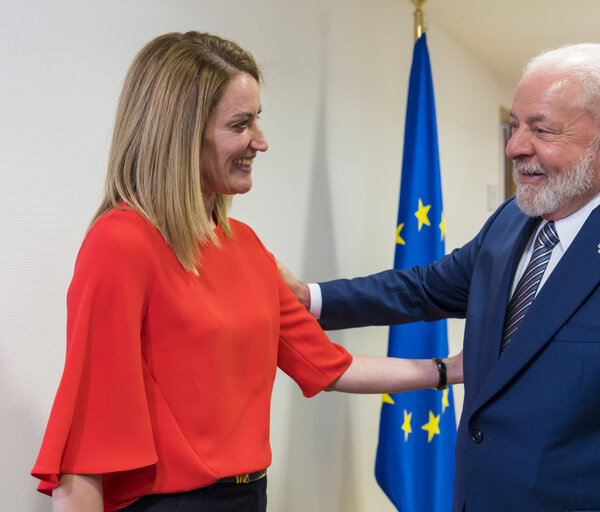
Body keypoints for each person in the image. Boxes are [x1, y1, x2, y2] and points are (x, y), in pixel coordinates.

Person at [279, 43, 600, 511]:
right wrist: (310, 297)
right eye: (515, 126)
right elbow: (425, 289)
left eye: (542, 130)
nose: (514, 147)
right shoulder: (513, 219)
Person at [31, 31, 462, 512]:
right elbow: (88, 436)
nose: (261, 141)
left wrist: (451, 369)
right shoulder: (122, 242)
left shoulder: (247, 246)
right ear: (179, 136)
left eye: (258, 119)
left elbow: (330, 365)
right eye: (240, 124)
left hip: (249, 497)